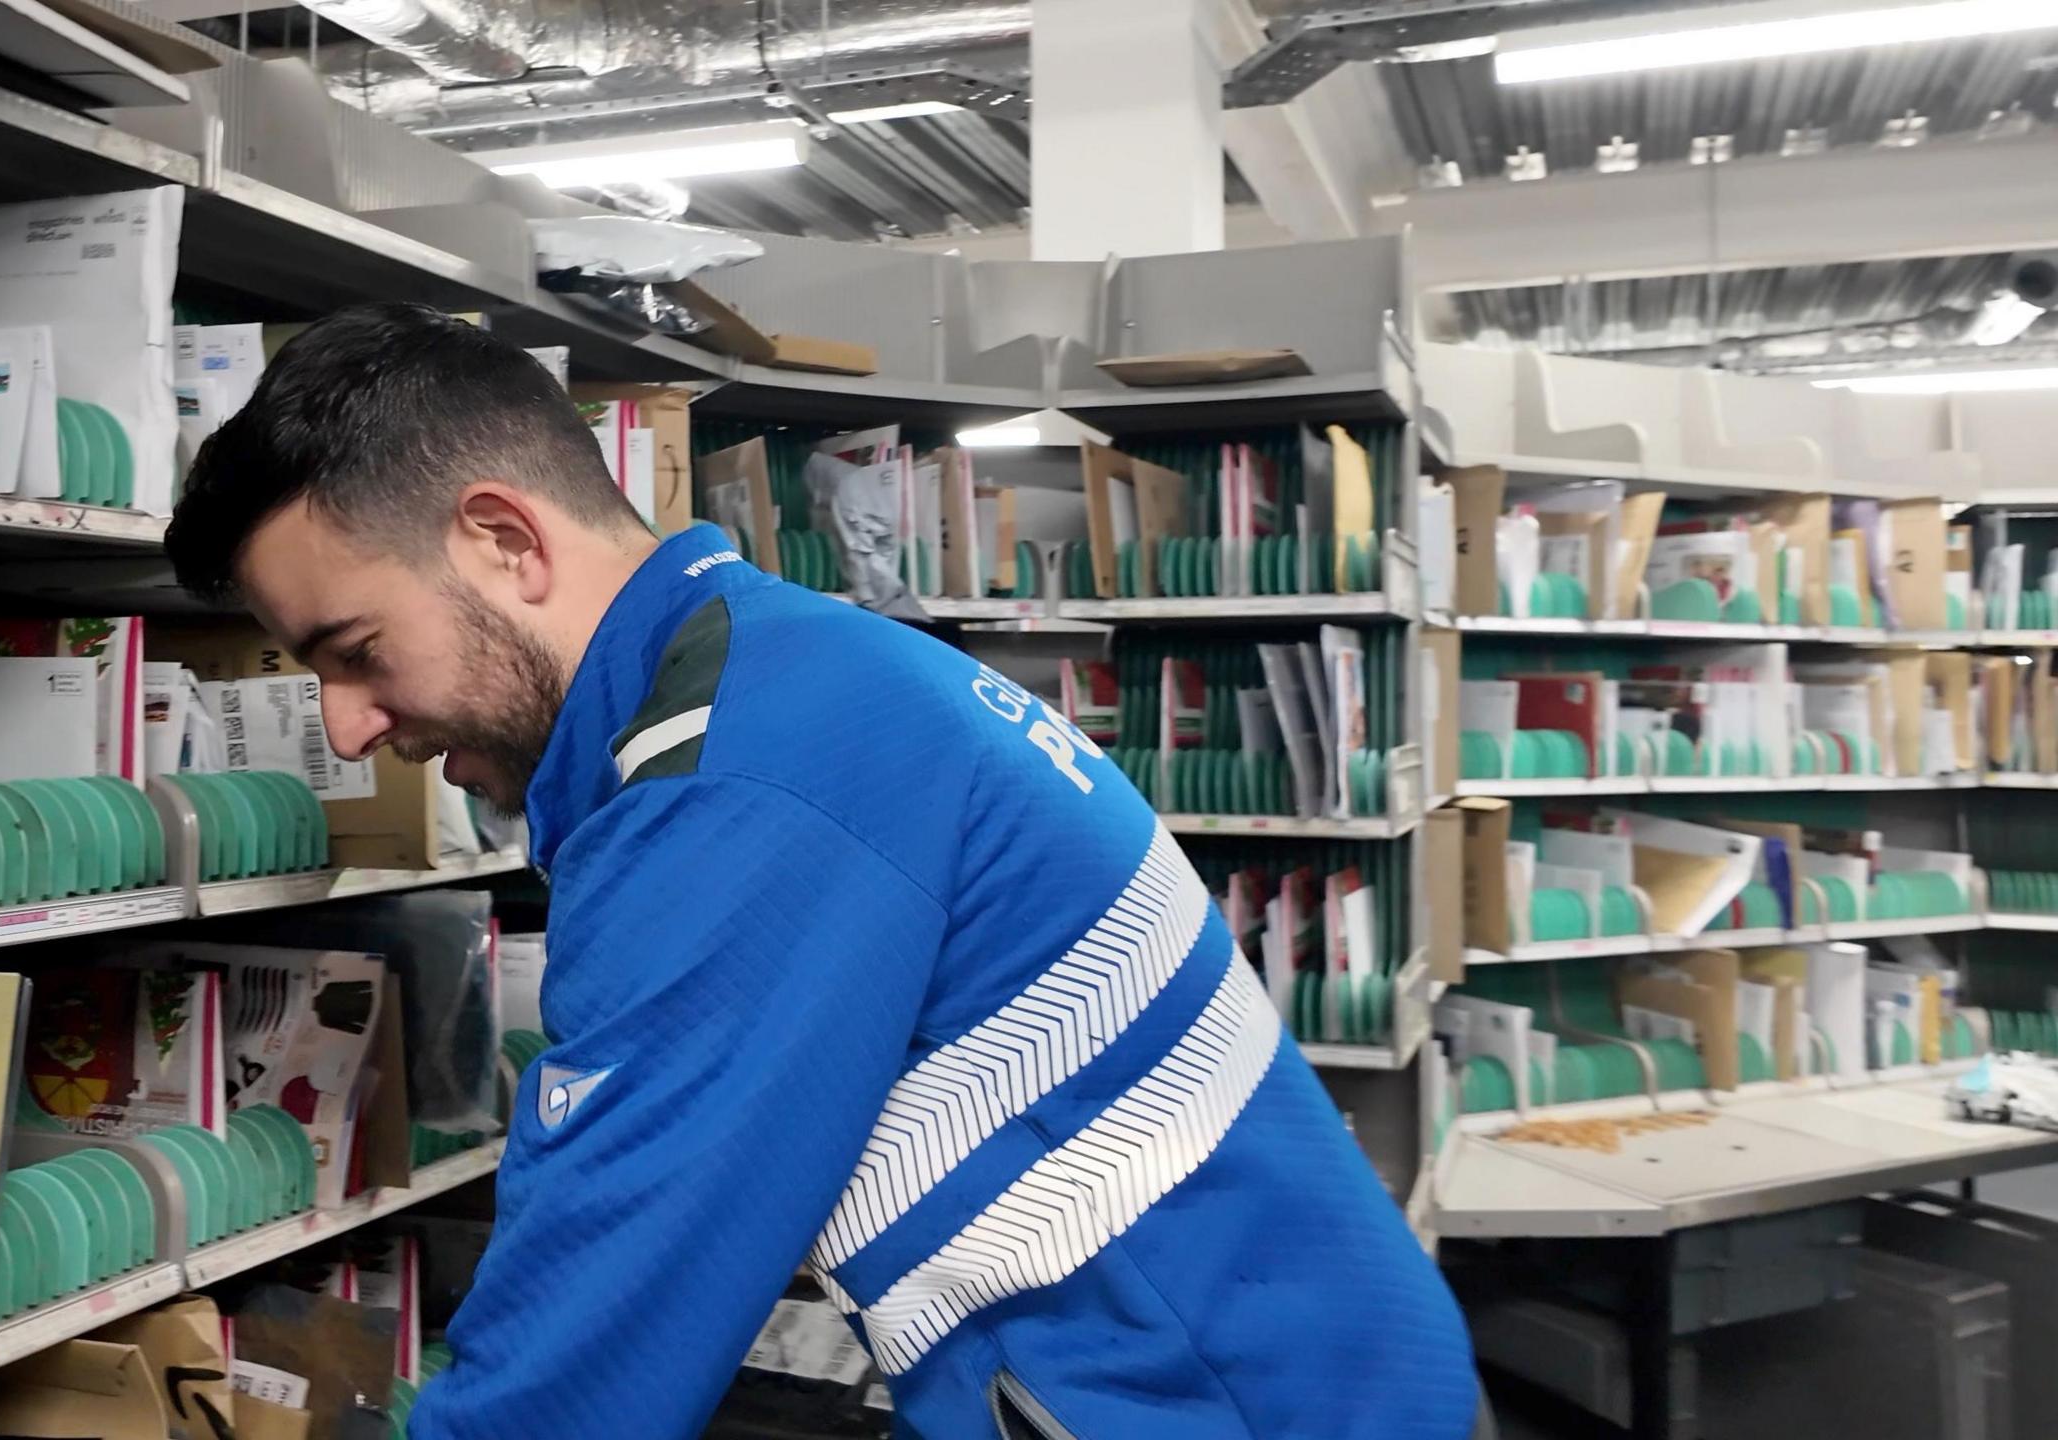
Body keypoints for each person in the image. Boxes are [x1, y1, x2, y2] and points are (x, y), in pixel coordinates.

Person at [167, 303, 1479, 1440]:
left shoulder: (738, 782)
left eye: (352, 649)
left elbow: (594, 1352)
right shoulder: (784, 673)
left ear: (507, 544)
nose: (345, 728)